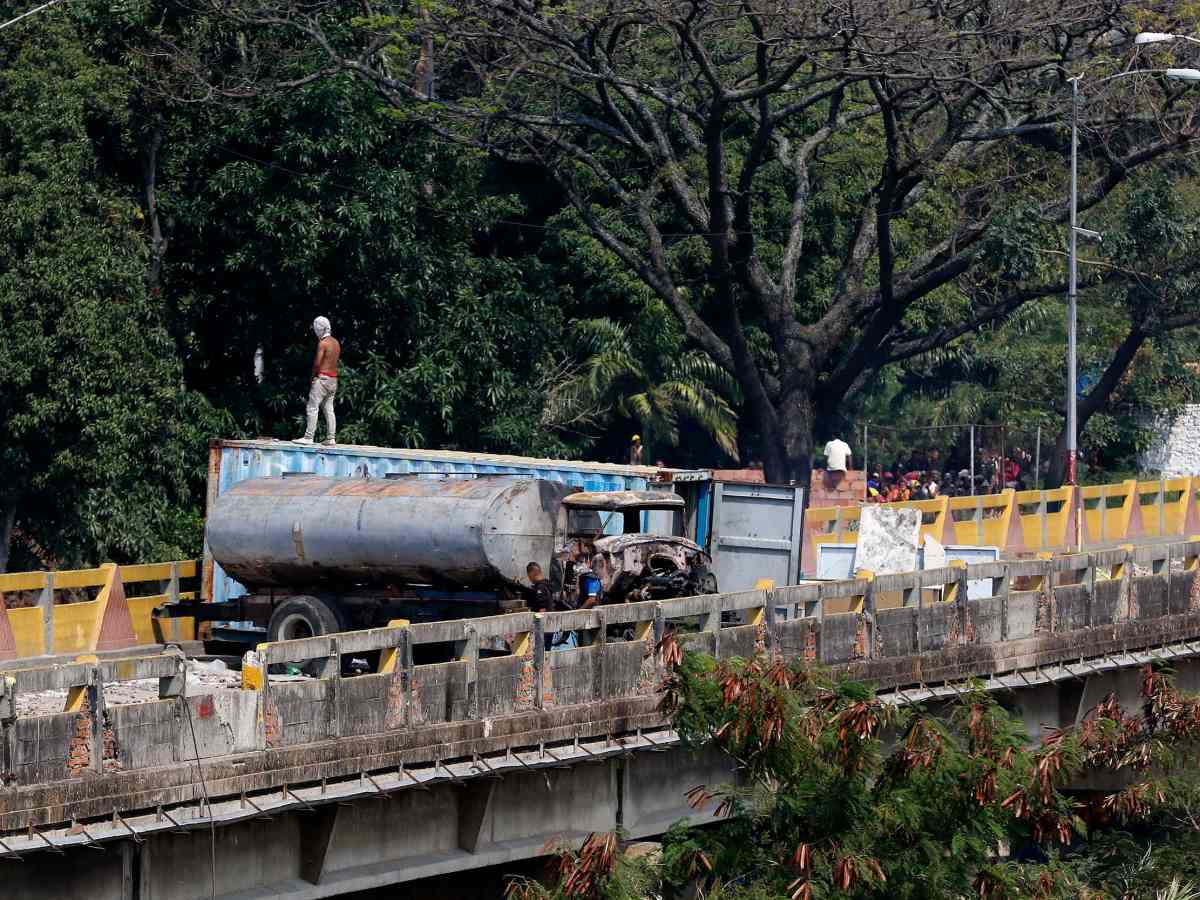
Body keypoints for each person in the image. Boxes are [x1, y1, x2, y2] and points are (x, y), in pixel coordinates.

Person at [295, 316, 341, 445]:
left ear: (319, 329)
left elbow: (317, 363)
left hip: (322, 379)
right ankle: (331, 438)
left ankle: (309, 437)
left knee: (312, 407)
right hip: (333, 379)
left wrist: (313, 376)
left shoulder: (323, 343)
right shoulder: (336, 342)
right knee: (329, 409)